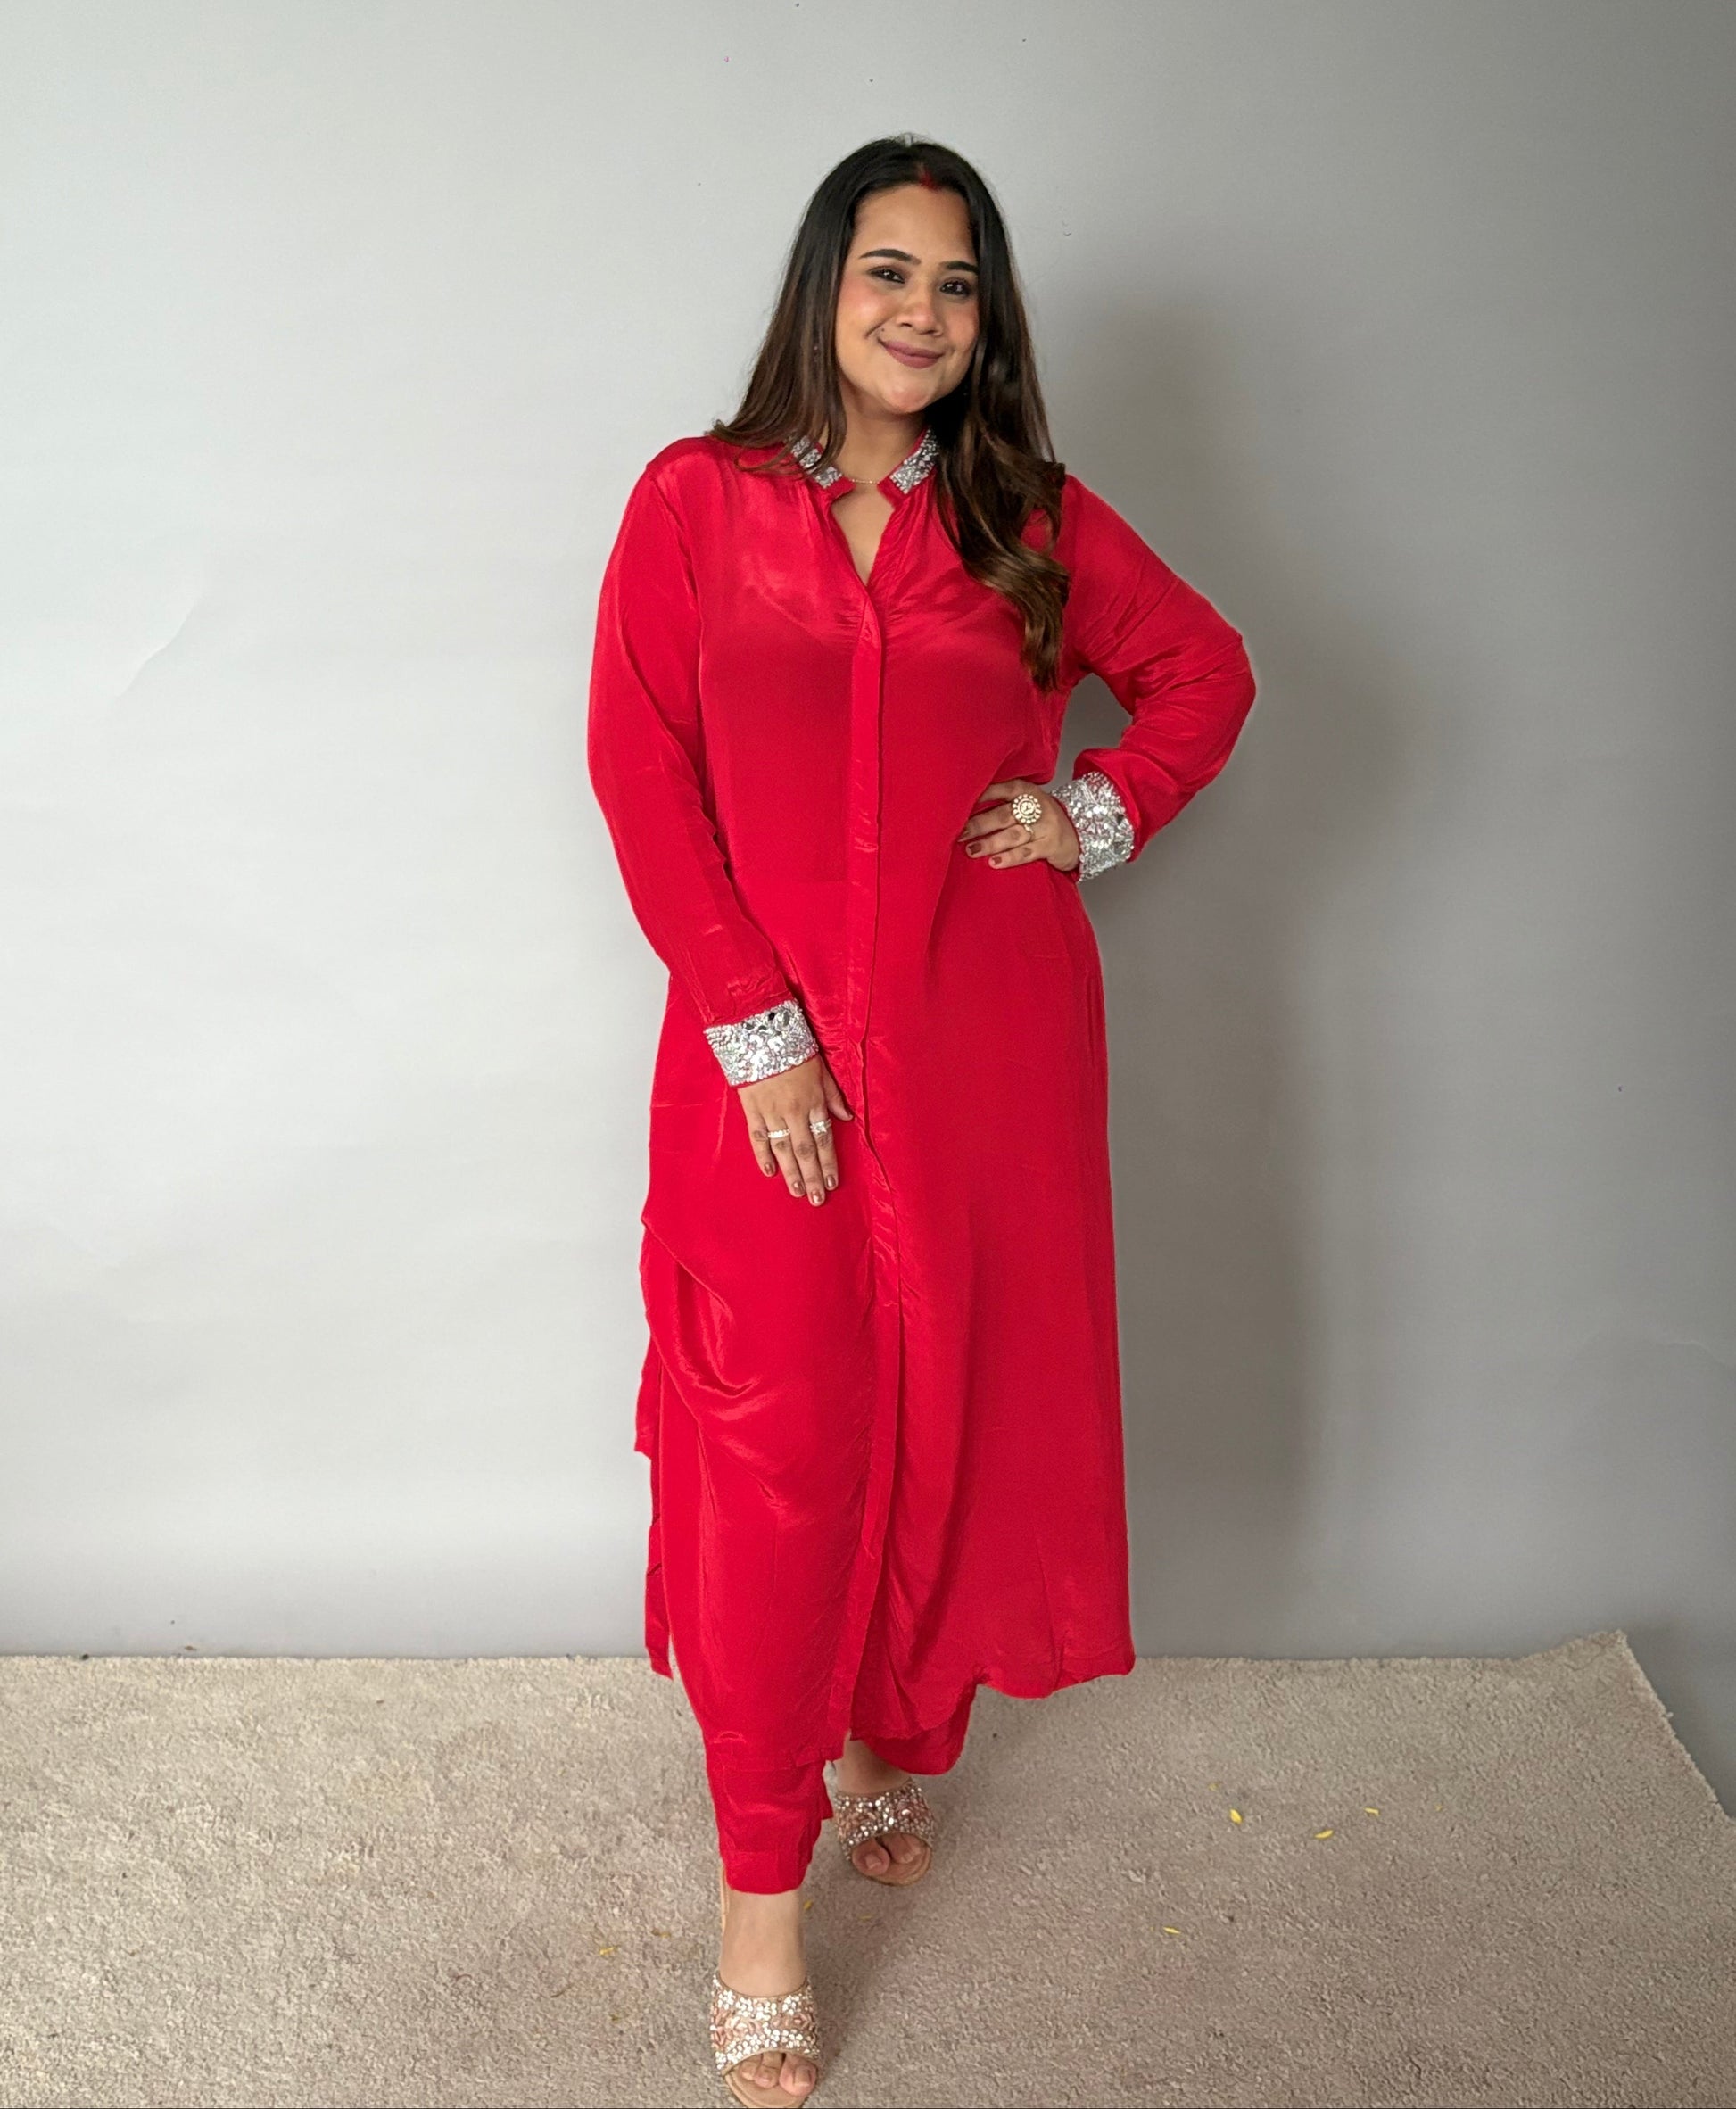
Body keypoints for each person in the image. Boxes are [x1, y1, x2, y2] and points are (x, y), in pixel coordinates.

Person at [586, 134, 1258, 2105]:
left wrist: (1089, 811)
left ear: (988, 320)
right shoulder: (699, 502)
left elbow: (1202, 674)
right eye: (887, 270)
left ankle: (890, 1731)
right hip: (765, 1073)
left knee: (943, 1404)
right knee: (773, 1441)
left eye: (957, 284)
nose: (920, 312)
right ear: (825, 288)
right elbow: (641, 767)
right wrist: (756, 1029)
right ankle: (760, 1908)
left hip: (984, 1059)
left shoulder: (1024, 516)